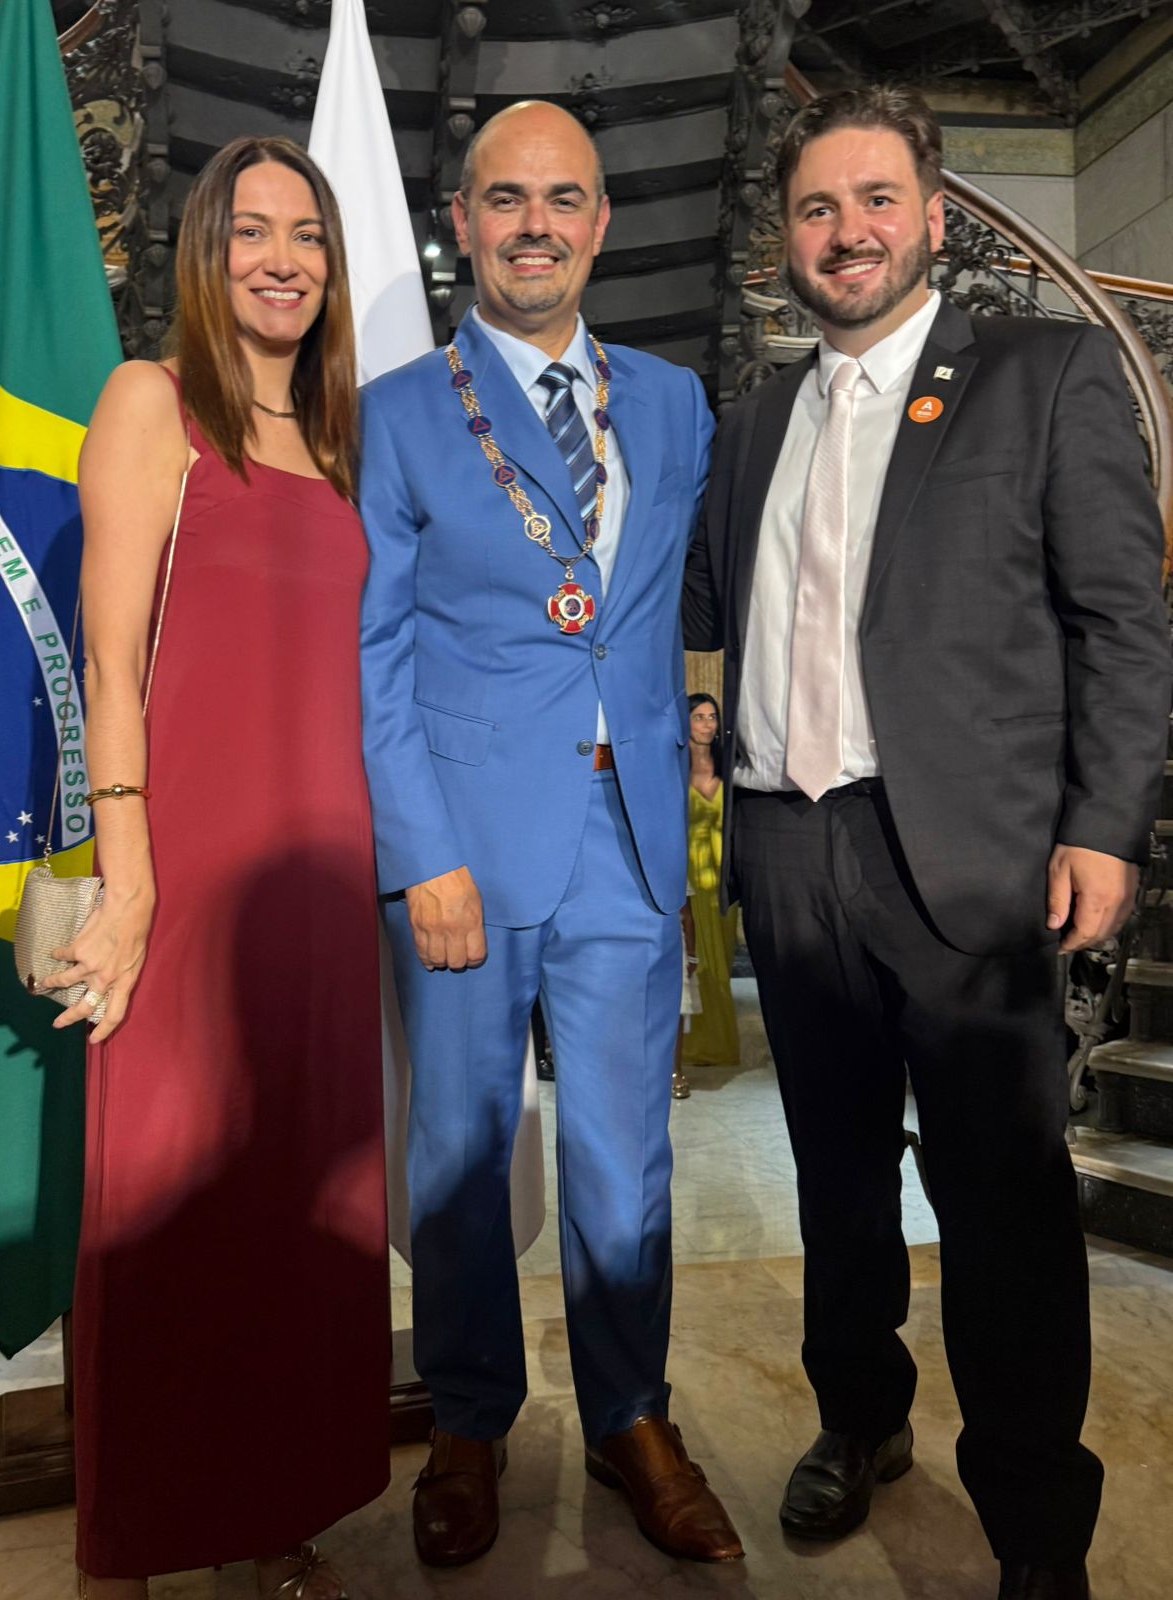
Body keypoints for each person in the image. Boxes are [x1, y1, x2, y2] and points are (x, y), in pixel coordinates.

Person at [683, 85, 1168, 1600]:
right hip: (790, 851)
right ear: (787, 237)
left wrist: (1104, 825)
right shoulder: (750, 424)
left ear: (936, 219)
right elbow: (705, 616)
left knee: (1003, 1202)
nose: (849, 232)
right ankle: (861, 1418)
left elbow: (1122, 621)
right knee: (834, 1177)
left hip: (967, 858)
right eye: (819, 207)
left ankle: (1035, 1526)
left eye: (877, 199)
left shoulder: (1044, 372)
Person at [357, 100, 742, 1567]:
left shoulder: (674, 403)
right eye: (506, 199)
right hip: (463, 842)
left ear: (600, 222)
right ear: (462, 222)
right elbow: (373, 651)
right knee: (460, 1151)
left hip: (627, 836)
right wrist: (417, 852)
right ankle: (469, 1421)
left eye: (563, 198)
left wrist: (701, 730)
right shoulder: (399, 410)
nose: (536, 225)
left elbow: (680, 601)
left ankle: (631, 1414)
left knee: (625, 1157)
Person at [45, 137, 390, 1599]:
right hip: (185, 873)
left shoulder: (342, 438)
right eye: (251, 230)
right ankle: (129, 1545)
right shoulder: (153, 401)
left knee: (294, 1206)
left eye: (306, 233)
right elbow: (110, 664)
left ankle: (273, 1509)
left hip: (320, 886)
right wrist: (132, 882)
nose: (282, 259)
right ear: (205, 250)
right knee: (163, 1203)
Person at [682, 693, 740, 1066]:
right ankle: (692, 1045)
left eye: (712, 716)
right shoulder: (675, 769)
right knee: (696, 961)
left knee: (722, 962)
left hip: (722, 878)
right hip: (687, 874)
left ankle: (720, 1043)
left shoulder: (728, 767)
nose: (707, 724)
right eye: (699, 717)